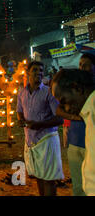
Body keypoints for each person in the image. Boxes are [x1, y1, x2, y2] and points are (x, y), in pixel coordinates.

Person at [17, 61, 64, 196]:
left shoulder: (49, 92)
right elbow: (19, 111)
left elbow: (59, 118)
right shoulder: (22, 93)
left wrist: (39, 124)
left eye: (41, 70)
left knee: (48, 179)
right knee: (38, 175)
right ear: (28, 73)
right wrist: (21, 120)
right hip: (31, 141)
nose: (39, 73)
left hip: (47, 139)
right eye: (35, 70)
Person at [56, 53, 95, 195]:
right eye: (80, 65)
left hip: (87, 145)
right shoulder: (80, 104)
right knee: (79, 186)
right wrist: (75, 117)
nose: (82, 68)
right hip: (75, 141)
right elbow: (58, 111)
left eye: (86, 64)